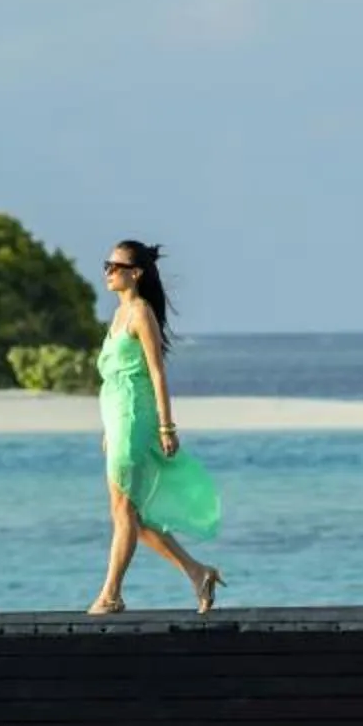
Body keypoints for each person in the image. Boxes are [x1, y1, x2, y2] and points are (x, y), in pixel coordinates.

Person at [88, 239, 224, 615]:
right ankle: (198, 573)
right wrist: (108, 430)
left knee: (124, 510)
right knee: (134, 516)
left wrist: (167, 426)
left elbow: (156, 373)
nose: (108, 272)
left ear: (136, 273)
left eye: (115, 266)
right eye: (106, 265)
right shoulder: (117, 317)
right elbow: (115, 379)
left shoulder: (140, 313)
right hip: (118, 421)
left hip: (136, 417)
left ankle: (111, 595)